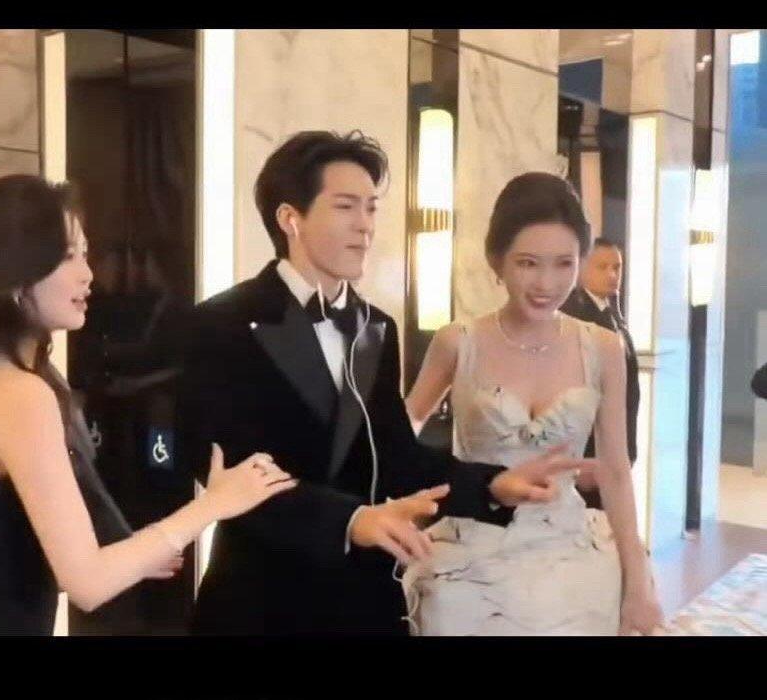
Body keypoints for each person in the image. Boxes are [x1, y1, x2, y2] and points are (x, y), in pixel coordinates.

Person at [179, 131, 589, 635]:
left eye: (371, 208)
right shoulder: (220, 323)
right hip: (262, 604)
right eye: (346, 207)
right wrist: (350, 521)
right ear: (290, 218)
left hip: (364, 603)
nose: (365, 225)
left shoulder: (376, 327)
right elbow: (227, 471)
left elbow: (395, 455)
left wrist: (489, 485)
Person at [0, 174, 295, 636]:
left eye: (84, 253)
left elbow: (18, 554)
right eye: (67, 256)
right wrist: (215, 504)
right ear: (13, 274)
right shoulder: (19, 394)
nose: (88, 273)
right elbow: (87, 582)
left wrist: (139, 550)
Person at [405, 172, 663, 635]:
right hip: (472, 556)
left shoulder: (602, 348)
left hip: (571, 555)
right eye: (527, 263)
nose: (546, 283)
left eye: (564, 264)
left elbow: (616, 471)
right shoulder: (457, 341)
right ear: (496, 260)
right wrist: (400, 509)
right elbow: (397, 436)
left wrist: (638, 581)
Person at [560, 237, 640, 508]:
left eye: (617, 267)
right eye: (602, 267)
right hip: (587, 455)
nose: (612, 275)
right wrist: (581, 458)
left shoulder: (613, 314)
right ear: (581, 268)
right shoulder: (572, 317)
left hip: (615, 444)